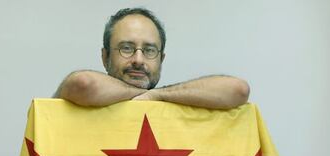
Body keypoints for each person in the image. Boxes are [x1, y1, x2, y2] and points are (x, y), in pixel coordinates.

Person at [54, 7, 250, 109]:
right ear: (105, 57)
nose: (138, 59)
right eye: (127, 48)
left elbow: (238, 90)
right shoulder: (81, 95)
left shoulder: (168, 100)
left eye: (149, 50)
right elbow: (83, 84)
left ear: (161, 60)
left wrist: (156, 95)